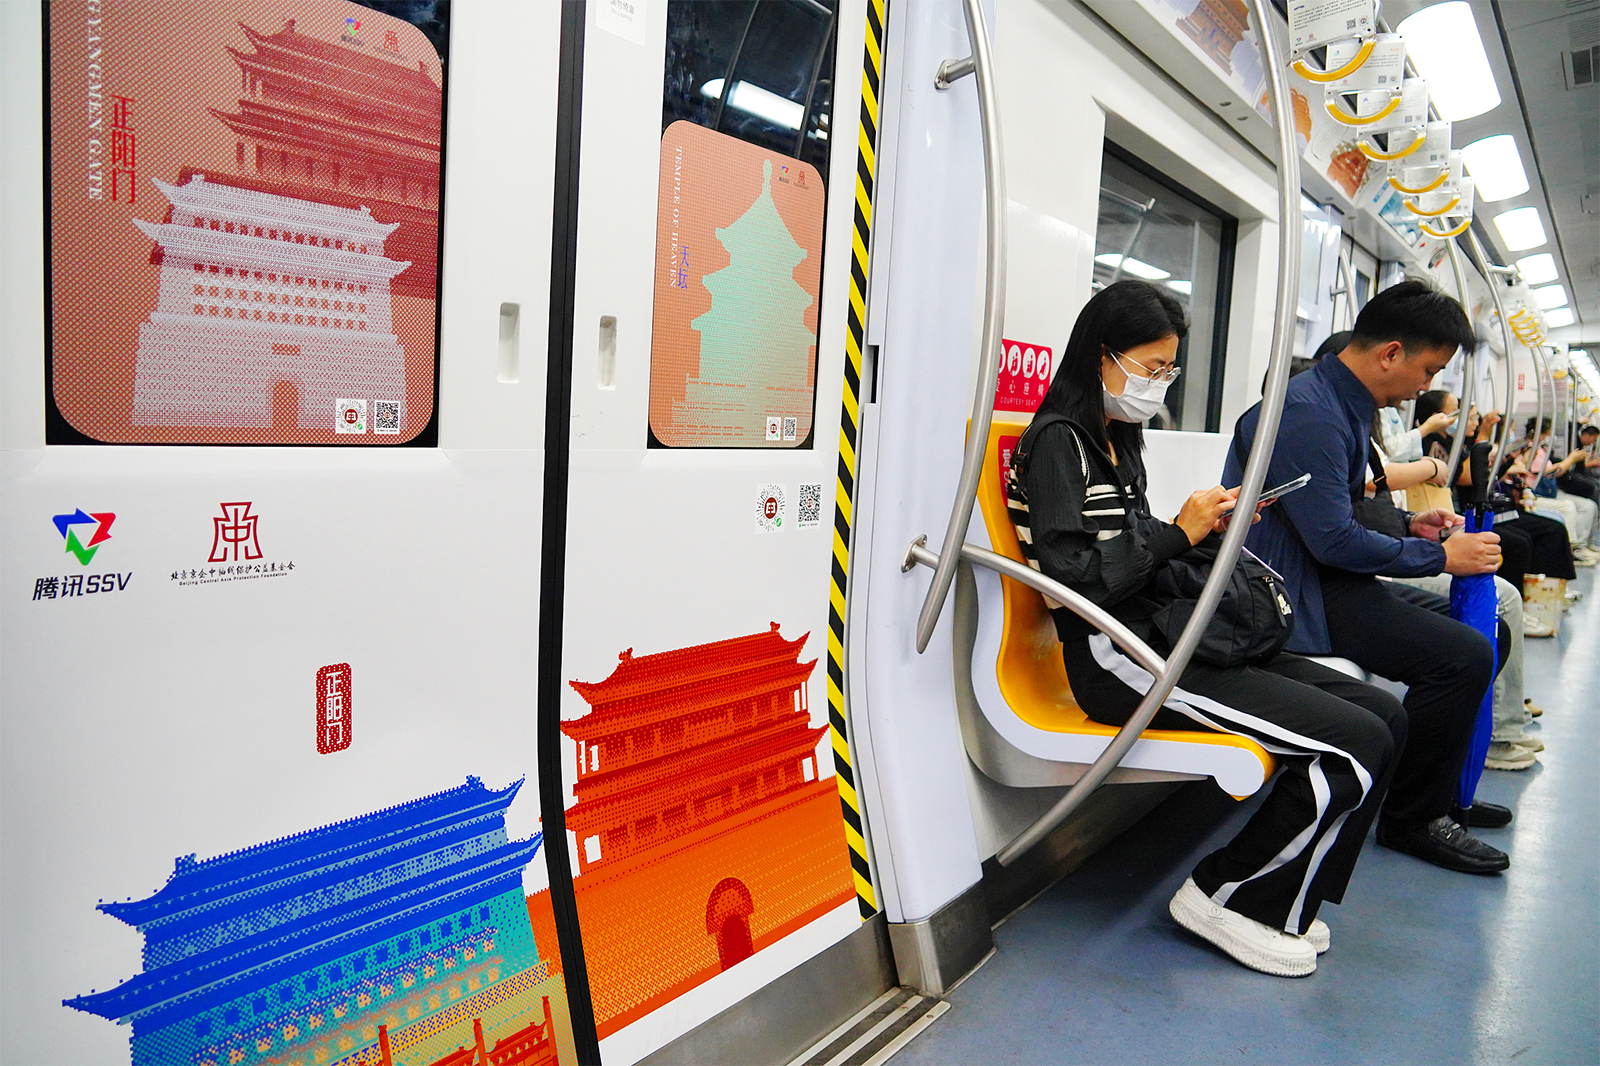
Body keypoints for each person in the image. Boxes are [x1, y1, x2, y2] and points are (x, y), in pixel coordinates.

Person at [1010, 280, 1406, 978]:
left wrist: (1204, 531)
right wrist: (1178, 531)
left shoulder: (1116, 439)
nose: (1158, 383)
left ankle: (1288, 896)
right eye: (1149, 367)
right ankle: (1225, 894)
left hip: (1160, 631)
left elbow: (1134, 552)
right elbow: (1076, 586)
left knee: (1380, 711)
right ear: (1100, 356)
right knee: (1354, 743)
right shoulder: (1055, 446)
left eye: (1169, 370)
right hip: (1117, 658)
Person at [1224, 280, 1511, 875]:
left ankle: (1432, 792)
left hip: (1327, 579)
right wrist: (1443, 558)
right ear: (1390, 354)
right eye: (1428, 369)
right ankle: (1412, 818)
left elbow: (1340, 509)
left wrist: (1414, 525)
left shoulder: (1344, 407)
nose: (1426, 387)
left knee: (1491, 636)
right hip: (1293, 595)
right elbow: (1332, 540)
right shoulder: (1309, 414)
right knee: (1461, 656)